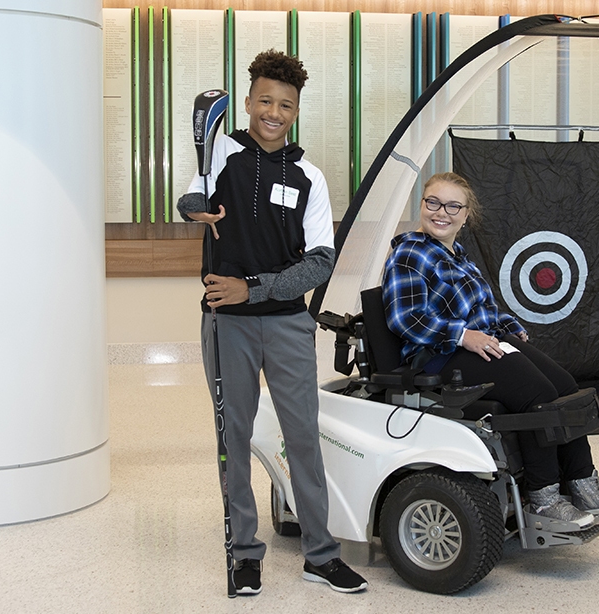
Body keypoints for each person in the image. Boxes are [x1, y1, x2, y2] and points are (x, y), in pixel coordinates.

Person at [177, 49, 367, 596]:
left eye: (285, 105)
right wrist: (194, 208)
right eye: (265, 101)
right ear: (247, 102)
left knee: (303, 437)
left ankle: (320, 554)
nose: (274, 113)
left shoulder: (309, 176)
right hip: (227, 325)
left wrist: (253, 287)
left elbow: (320, 261)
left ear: (296, 111)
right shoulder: (222, 153)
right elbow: (191, 195)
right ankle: (243, 551)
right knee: (232, 437)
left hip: (286, 324)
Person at [382, 172, 599, 527]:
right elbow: (405, 318)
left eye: (453, 206)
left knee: (565, 386)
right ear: (422, 205)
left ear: (466, 215)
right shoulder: (410, 253)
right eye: (434, 203)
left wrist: (507, 326)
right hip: (439, 355)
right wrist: (463, 336)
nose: (441, 212)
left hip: (479, 341)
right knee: (536, 394)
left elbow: (481, 308)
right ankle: (544, 498)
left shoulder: (458, 255)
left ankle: (583, 484)